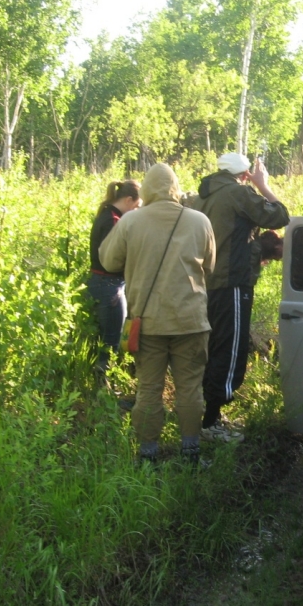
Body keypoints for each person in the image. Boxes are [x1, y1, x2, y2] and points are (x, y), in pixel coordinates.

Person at [98, 163, 215, 465]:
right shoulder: (200, 221)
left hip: (147, 322)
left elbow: (109, 261)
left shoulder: (131, 221)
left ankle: (147, 454)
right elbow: (210, 266)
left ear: (146, 190)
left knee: (148, 389)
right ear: (175, 188)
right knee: (190, 387)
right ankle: (191, 452)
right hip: (190, 321)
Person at [188, 152, 291, 442]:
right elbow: (280, 216)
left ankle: (206, 416)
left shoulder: (204, 195)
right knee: (230, 350)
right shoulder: (237, 193)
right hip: (232, 283)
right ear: (245, 174)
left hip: (207, 282)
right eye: (250, 175)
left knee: (211, 348)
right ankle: (211, 423)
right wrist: (263, 185)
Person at [87, 179, 141, 377]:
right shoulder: (113, 221)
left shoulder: (107, 213)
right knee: (111, 339)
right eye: (137, 206)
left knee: (107, 336)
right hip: (109, 284)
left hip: (102, 282)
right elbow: (115, 255)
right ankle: (103, 387)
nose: (137, 211)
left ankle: (103, 382)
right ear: (128, 200)